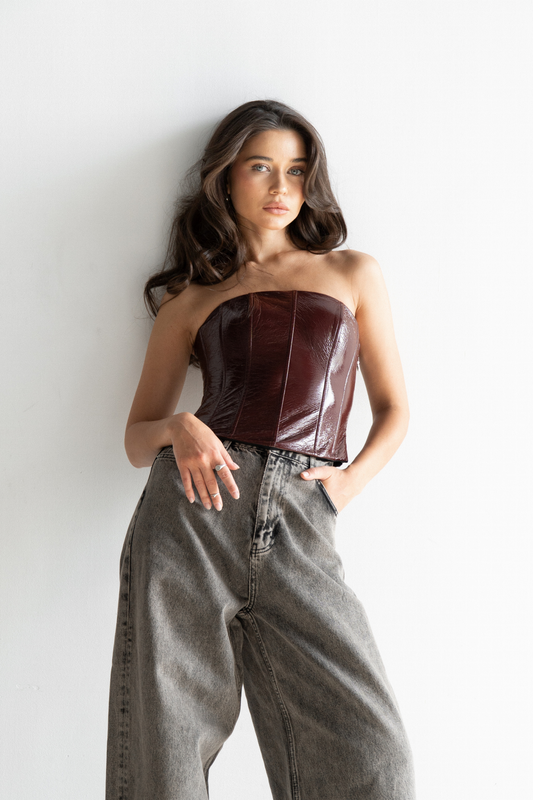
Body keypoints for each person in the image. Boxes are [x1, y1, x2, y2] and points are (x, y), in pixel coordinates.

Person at [106, 99, 416, 800]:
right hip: (194, 511)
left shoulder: (350, 272)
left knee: (375, 756)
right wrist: (181, 425)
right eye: (261, 168)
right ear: (224, 181)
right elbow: (136, 436)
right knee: (169, 749)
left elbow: (394, 410)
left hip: (303, 516)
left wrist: (342, 487)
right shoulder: (191, 300)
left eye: (298, 171)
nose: (282, 188)